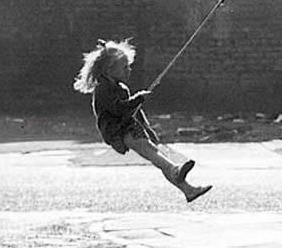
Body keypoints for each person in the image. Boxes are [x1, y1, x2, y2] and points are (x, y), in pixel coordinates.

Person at [73, 38, 211, 203]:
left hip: (128, 126)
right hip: (117, 130)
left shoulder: (121, 88)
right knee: (151, 152)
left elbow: (134, 111)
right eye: (124, 67)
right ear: (109, 70)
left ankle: (188, 190)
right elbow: (118, 108)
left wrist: (146, 126)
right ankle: (175, 170)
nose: (129, 70)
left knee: (154, 153)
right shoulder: (103, 89)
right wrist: (138, 98)